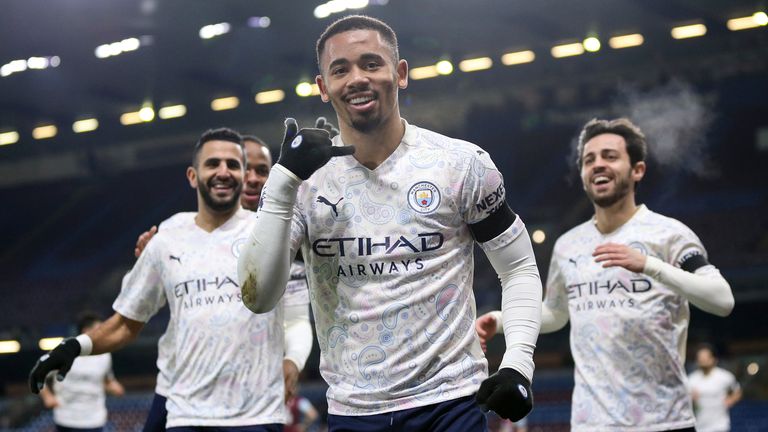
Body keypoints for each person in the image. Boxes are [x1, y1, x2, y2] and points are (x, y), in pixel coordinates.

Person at [238, 15, 542, 431]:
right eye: (340, 69)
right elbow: (258, 296)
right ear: (322, 87)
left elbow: (519, 269)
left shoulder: (462, 164)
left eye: (371, 63)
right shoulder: (301, 185)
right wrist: (283, 179)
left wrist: (518, 364)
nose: (357, 78)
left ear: (399, 74)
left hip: (450, 403)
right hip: (353, 412)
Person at [30, 127, 313, 431]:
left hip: (255, 415)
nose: (223, 172)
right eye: (212, 163)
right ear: (193, 176)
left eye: (232, 165)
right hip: (184, 411)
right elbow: (126, 322)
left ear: (243, 177)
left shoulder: (273, 234)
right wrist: (74, 347)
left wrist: (293, 360)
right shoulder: (167, 238)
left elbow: (297, 317)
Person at [476, 117, 735, 431]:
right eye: (589, 159)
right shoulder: (568, 245)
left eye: (610, 156)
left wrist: (649, 265)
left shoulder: (670, 235)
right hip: (591, 423)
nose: (598, 164)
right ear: (584, 175)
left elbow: (722, 300)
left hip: (664, 422)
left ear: (637, 170)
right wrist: (502, 320)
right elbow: (557, 314)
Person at [133, 131, 317, 432]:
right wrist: (147, 264)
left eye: (262, 171)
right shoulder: (176, 230)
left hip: (249, 404)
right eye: (248, 169)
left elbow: (296, 317)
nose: (254, 178)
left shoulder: (286, 238)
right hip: (177, 392)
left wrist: (293, 360)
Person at [38, 313, 125, 432]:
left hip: (95, 419)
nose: (103, 333)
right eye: (99, 329)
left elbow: (106, 380)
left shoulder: (104, 355)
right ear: (86, 331)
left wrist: (114, 387)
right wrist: (48, 397)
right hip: (67, 418)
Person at [688, 344, 742, 432]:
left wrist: (731, 400)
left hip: (720, 426)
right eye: (700, 357)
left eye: (705, 357)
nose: (702, 360)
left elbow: (737, 391)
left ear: (714, 359)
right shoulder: (691, 379)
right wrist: (691, 398)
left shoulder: (725, 376)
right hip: (700, 427)